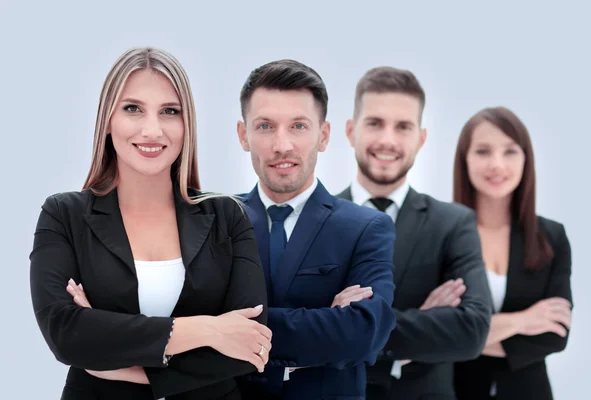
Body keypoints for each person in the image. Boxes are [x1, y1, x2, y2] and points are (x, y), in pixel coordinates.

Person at [29, 47, 272, 400]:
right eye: (133, 109)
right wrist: (208, 329)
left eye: (170, 112)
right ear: (107, 120)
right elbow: (66, 333)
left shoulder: (226, 215)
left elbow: (251, 343)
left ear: (186, 124)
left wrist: (118, 359)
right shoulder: (63, 214)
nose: (152, 130)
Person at [233, 59, 397, 400]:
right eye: (265, 126)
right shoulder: (214, 221)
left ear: (323, 136)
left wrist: (228, 328)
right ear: (243, 135)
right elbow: (183, 317)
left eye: (298, 126)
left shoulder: (366, 228)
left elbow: (364, 333)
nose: (282, 145)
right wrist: (326, 322)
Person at [337, 66, 493, 399]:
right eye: (375, 123)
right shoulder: (313, 218)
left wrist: (349, 327)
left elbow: (473, 330)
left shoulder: (453, 224)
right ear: (351, 131)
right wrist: (423, 323)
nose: (387, 140)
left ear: (421, 138)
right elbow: (295, 331)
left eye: (403, 126)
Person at [452, 106, 573, 400]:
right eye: (483, 151)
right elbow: (434, 332)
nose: (497, 164)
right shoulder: (442, 234)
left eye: (510, 151)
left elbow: (555, 334)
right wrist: (522, 321)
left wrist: (467, 336)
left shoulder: (551, 237)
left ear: (525, 158)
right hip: (456, 390)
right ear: (465, 159)